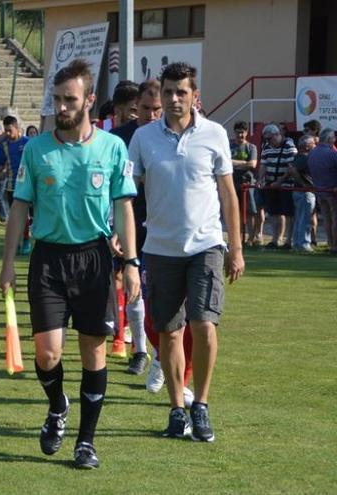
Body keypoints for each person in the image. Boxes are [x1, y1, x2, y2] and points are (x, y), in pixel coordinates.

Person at [0, 59, 140, 470]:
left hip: (94, 258)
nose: (61, 107)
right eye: (57, 99)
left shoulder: (112, 148)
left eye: (69, 99)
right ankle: (57, 405)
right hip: (48, 259)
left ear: (89, 101)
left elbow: (125, 207)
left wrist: (130, 262)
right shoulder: (37, 148)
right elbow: (19, 207)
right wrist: (8, 263)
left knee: (93, 353)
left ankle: (86, 442)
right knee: (47, 354)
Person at [129, 62, 244, 443]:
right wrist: (121, 233)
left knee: (204, 325)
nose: (175, 98)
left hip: (207, 245)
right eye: (168, 92)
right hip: (160, 249)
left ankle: (202, 405)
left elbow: (228, 195)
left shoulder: (214, 134)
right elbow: (125, 193)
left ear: (195, 95)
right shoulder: (144, 139)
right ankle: (177, 409)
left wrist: (236, 248)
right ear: (160, 96)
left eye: (182, 91)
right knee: (169, 332)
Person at [109, 79, 163, 376]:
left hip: (162, 222)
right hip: (128, 219)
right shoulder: (118, 138)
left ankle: (159, 351)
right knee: (131, 284)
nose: (152, 115)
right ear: (134, 107)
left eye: (157, 109)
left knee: (158, 290)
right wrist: (113, 224)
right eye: (145, 108)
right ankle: (139, 350)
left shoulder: (170, 136)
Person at [0, 115, 30, 254]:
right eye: (5, 130)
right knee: (15, 216)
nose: (7, 133)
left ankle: (26, 241)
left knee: (25, 215)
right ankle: (18, 242)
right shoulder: (4, 145)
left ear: (17, 128)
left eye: (9, 130)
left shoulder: (28, 143)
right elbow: (1, 164)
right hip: (11, 184)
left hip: (27, 185)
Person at [259, 123, 297, 248]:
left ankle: (288, 241)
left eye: (270, 138)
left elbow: (291, 168)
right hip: (271, 185)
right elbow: (263, 164)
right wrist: (260, 179)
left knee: (288, 213)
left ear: (277, 135)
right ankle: (275, 240)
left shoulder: (289, 145)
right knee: (274, 213)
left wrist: (279, 181)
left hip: (286, 185)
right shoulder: (266, 146)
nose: (268, 141)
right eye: (266, 139)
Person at [307, 129, 337, 253]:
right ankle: (335, 245)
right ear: (329, 139)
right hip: (332, 191)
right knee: (335, 219)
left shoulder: (312, 153)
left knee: (326, 219)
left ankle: (331, 244)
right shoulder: (332, 154)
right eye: (333, 138)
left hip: (320, 191)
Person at [230, 121, 259, 246]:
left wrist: (234, 163)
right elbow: (225, 161)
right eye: (238, 133)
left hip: (247, 184)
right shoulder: (229, 146)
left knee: (250, 211)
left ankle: (251, 239)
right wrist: (244, 163)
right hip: (232, 183)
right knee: (234, 211)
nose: (240, 135)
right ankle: (236, 239)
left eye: (242, 133)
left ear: (246, 133)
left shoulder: (251, 147)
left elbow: (253, 164)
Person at [287, 135, 316, 252]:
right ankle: (303, 243)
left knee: (299, 218)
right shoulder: (304, 158)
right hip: (304, 192)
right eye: (313, 144)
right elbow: (292, 169)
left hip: (299, 192)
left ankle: (297, 243)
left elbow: (291, 168)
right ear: (308, 146)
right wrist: (303, 184)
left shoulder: (299, 157)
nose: (315, 146)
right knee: (304, 219)